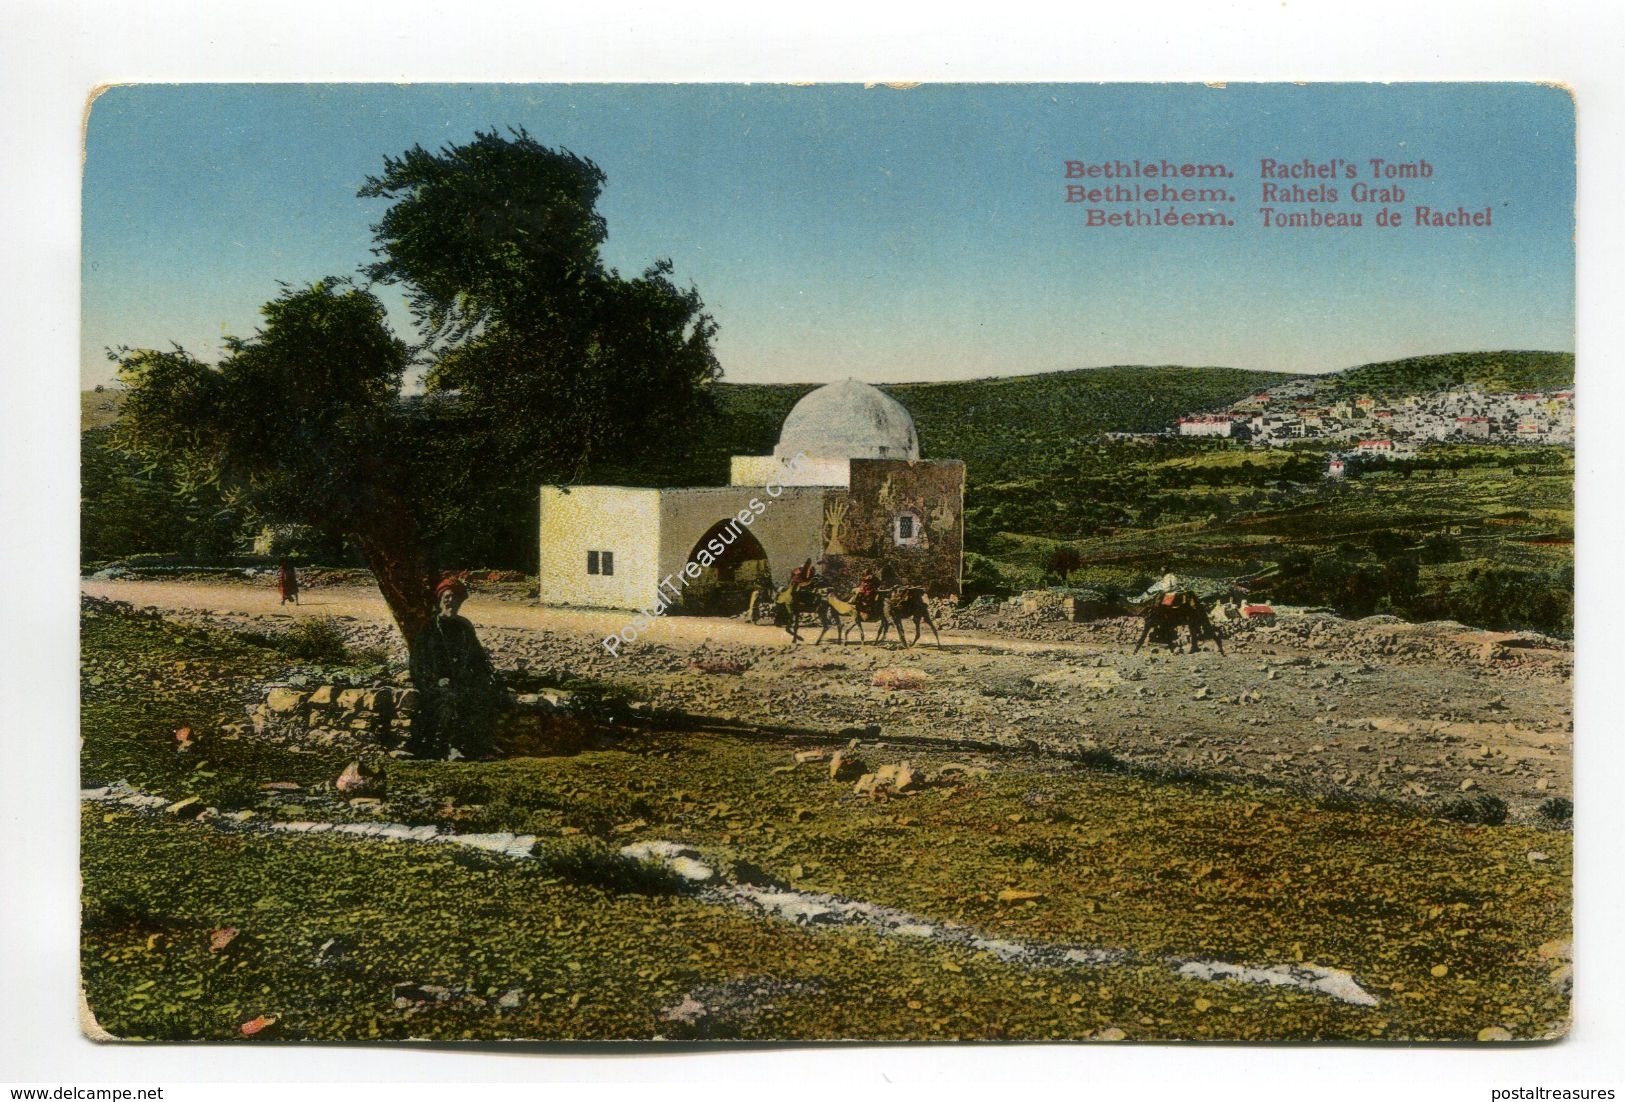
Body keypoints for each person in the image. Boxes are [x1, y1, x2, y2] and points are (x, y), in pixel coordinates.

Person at [406, 576, 500, 760]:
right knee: (451, 700)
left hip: (463, 680)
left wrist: (481, 676)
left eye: (456, 598)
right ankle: (451, 747)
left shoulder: (464, 626)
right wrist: (435, 679)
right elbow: (418, 661)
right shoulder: (430, 627)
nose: (451, 601)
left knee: (482, 697)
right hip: (436, 683)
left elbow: (477, 656)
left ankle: (481, 747)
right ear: (440, 599)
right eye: (447, 597)